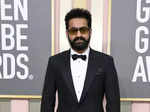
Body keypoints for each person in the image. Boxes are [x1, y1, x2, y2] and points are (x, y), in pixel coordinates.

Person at [41, 8, 120, 112]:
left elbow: (113, 104)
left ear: (90, 32)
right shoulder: (55, 62)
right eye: (73, 31)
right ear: (67, 33)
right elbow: (47, 102)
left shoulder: (106, 62)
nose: (78, 35)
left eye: (83, 30)